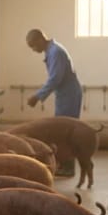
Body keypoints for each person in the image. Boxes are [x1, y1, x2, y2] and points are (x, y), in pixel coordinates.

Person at [25, 29, 83, 176]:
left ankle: (68, 167)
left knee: (65, 132)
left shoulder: (55, 52)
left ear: (40, 39)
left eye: (33, 46)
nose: (33, 50)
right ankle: (65, 165)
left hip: (69, 95)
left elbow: (55, 79)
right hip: (65, 95)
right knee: (62, 131)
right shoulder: (51, 51)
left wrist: (37, 96)